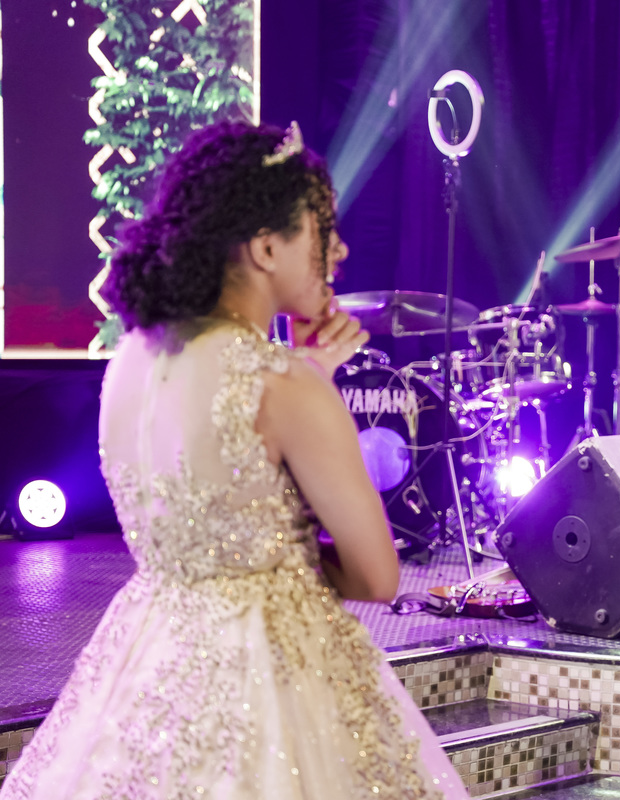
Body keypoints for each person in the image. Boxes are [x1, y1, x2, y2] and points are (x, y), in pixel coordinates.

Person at [0, 120, 468, 800]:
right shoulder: (284, 385)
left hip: (148, 652)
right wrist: (284, 559)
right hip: (268, 670)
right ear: (267, 246)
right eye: (321, 231)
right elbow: (376, 576)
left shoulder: (131, 359)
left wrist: (308, 374)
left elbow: (224, 493)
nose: (337, 252)